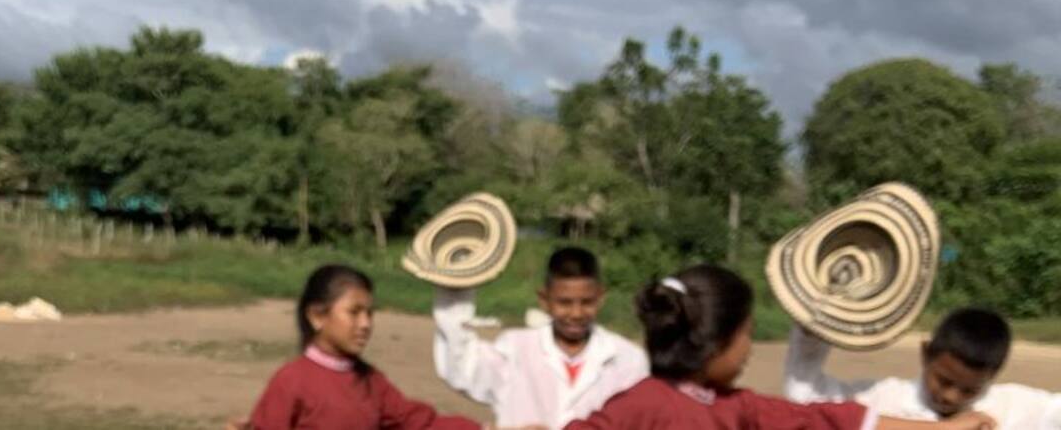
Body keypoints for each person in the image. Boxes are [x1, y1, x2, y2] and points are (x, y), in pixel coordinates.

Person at [561, 265, 996, 430]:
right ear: (717, 341)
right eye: (747, 334)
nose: (750, 349)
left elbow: (831, 420)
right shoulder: (646, 406)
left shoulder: (737, 407)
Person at [227, 264, 538, 430]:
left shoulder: (371, 381)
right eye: (354, 312)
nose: (365, 324)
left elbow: (420, 423)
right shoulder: (291, 381)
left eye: (369, 313)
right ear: (316, 316)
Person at [433, 246, 647, 429]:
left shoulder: (629, 360)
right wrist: (455, 290)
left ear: (601, 298)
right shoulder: (514, 348)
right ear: (544, 300)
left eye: (587, 302)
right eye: (564, 302)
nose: (576, 313)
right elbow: (461, 369)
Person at [784, 307, 1061, 427]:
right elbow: (805, 399)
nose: (951, 396)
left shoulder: (1016, 407)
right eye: (943, 380)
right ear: (926, 354)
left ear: (993, 376)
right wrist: (813, 329)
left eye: (969, 390)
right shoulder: (884, 399)